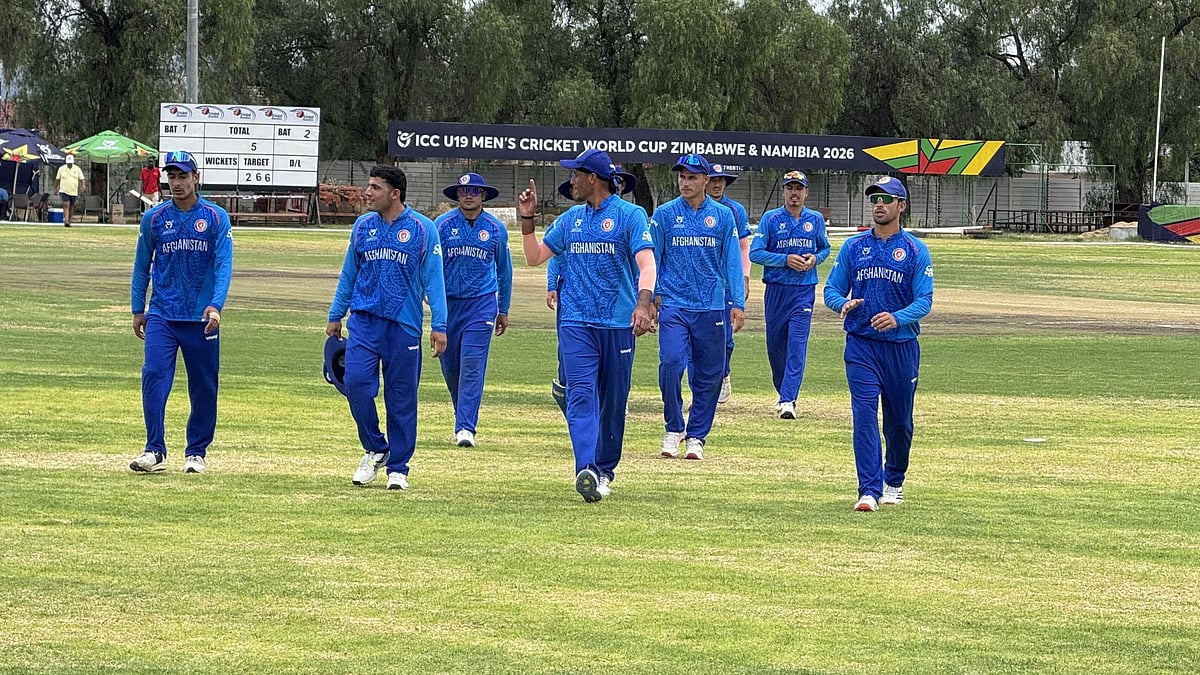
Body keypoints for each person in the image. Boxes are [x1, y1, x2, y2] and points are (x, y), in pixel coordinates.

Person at [518, 148, 657, 502]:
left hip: (617, 324)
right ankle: (586, 468)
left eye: (575, 175)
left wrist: (643, 304)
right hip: (575, 322)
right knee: (580, 394)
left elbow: (647, 265)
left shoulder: (630, 215)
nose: (571, 182)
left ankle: (605, 468)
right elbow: (535, 258)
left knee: (612, 402)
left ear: (592, 178)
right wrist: (527, 220)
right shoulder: (569, 221)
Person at [327, 165, 447, 491]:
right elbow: (349, 274)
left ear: (394, 193)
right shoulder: (363, 226)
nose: (367, 193)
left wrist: (440, 324)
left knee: (401, 398)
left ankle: (399, 467)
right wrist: (336, 314)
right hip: (363, 323)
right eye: (369, 186)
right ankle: (376, 447)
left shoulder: (423, 229)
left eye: (375, 188)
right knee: (355, 384)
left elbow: (434, 281)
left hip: (403, 326)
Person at [823, 176, 933, 512]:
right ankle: (868, 489)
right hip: (861, 345)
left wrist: (898, 317)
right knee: (864, 414)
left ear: (902, 206)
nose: (879, 205)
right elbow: (831, 289)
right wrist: (841, 303)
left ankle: (894, 479)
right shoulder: (854, 247)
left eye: (887, 199)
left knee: (899, 422)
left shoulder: (914, 249)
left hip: (900, 347)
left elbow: (925, 300)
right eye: (875, 200)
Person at [129, 150, 234, 474]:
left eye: (183, 176)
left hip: (202, 317)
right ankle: (154, 449)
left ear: (195, 178)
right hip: (162, 313)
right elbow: (141, 265)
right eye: (171, 177)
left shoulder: (215, 218)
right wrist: (138, 308)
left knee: (203, 384)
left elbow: (223, 265)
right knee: (154, 375)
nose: (176, 183)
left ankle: (196, 452)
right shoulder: (155, 219)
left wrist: (216, 306)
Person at [650, 154, 745, 461]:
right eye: (682, 177)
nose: (686, 183)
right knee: (672, 363)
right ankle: (673, 427)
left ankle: (697, 436)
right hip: (674, 304)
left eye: (692, 177)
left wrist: (738, 303)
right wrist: (652, 297)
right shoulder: (664, 214)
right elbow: (653, 258)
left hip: (711, 306)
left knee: (709, 374)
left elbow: (732, 260)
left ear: (706, 180)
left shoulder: (722, 216)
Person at [433, 173, 512, 448]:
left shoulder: (495, 228)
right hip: (448, 304)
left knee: (472, 364)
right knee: (451, 366)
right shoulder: (441, 226)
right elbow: (429, 267)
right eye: (464, 190)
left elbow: (504, 270)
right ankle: (461, 413)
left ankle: (466, 427)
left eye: (475, 191)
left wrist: (503, 308)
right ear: (457, 195)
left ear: (483, 196)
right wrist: (428, 298)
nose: (469, 195)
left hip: (482, 304)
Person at [749, 170, 831, 419]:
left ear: (806, 192)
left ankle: (788, 400)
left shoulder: (815, 219)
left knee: (797, 344)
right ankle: (783, 390)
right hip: (776, 290)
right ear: (783, 191)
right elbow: (756, 253)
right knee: (776, 348)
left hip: (803, 291)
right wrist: (785, 260)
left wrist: (815, 258)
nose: (794, 193)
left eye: (799, 188)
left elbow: (825, 248)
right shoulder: (771, 219)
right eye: (790, 188)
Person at [705, 164, 752, 404]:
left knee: (726, 338)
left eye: (721, 180)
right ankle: (704, 390)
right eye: (713, 179)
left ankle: (723, 375)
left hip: (726, 283)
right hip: (702, 285)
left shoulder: (735, 210)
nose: (717, 184)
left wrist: (743, 277)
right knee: (701, 339)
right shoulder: (693, 207)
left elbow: (743, 247)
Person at [55, 154, 85, 226]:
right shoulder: (61, 169)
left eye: (70, 163)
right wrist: (56, 188)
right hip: (64, 190)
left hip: (73, 191)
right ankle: (66, 220)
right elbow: (57, 179)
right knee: (66, 204)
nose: (69, 164)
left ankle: (69, 220)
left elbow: (82, 178)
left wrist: (83, 185)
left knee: (71, 206)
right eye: (68, 163)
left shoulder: (77, 169)